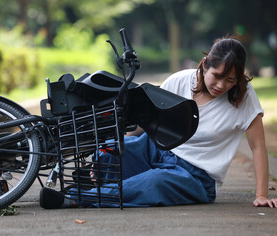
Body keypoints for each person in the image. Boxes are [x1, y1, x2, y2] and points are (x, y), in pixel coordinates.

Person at [39, 36, 277, 209]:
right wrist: (118, 147)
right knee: (112, 149)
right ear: (205, 65)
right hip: (157, 149)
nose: (222, 85)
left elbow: (257, 147)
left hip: (196, 177)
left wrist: (261, 194)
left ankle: (77, 198)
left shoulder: (244, 97)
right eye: (217, 76)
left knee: (153, 183)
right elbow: (146, 121)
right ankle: (98, 176)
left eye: (230, 80)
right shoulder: (180, 81)